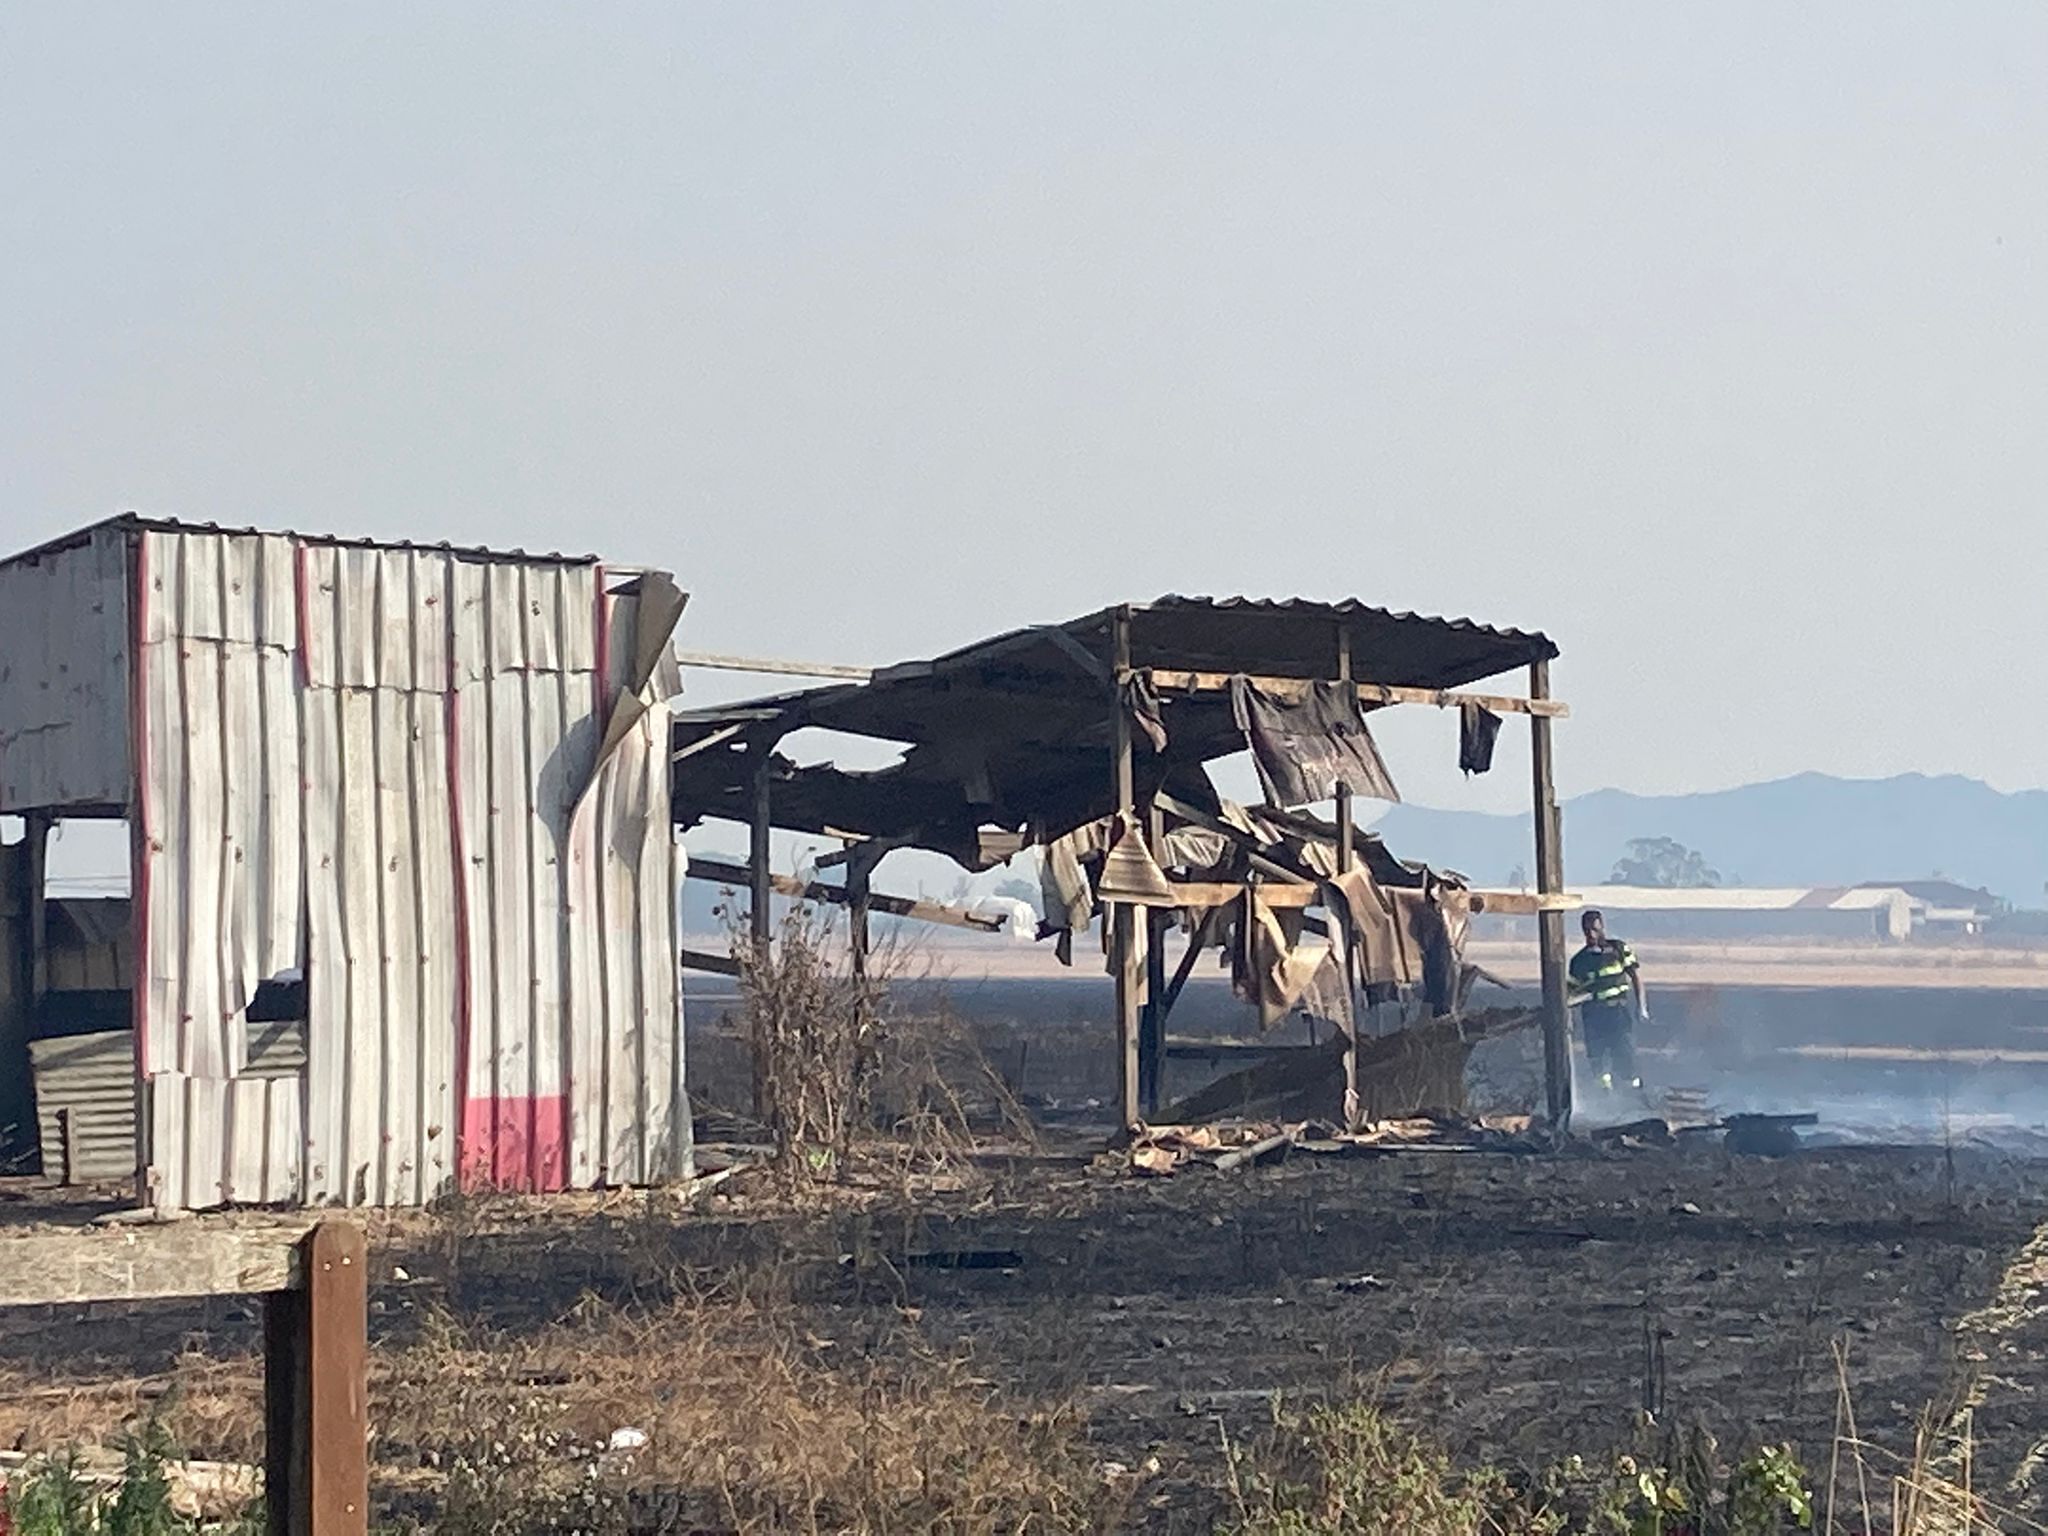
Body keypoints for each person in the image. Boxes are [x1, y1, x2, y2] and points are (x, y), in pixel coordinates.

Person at [1568, 908, 1647, 1093]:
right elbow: (1570, 994)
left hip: (1618, 1012)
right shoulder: (1579, 961)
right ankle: (1605, 1092)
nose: (1591, 934)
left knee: (1625, 1052)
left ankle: (1634, 1089)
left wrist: (1642, 1007)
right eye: (1587, 930)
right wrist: (1569, 1018)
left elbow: (1635, 977)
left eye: (1595, 929)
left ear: (1602, 927)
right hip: (1594, 1015)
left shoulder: (1619, 949)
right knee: (1596, 1055)